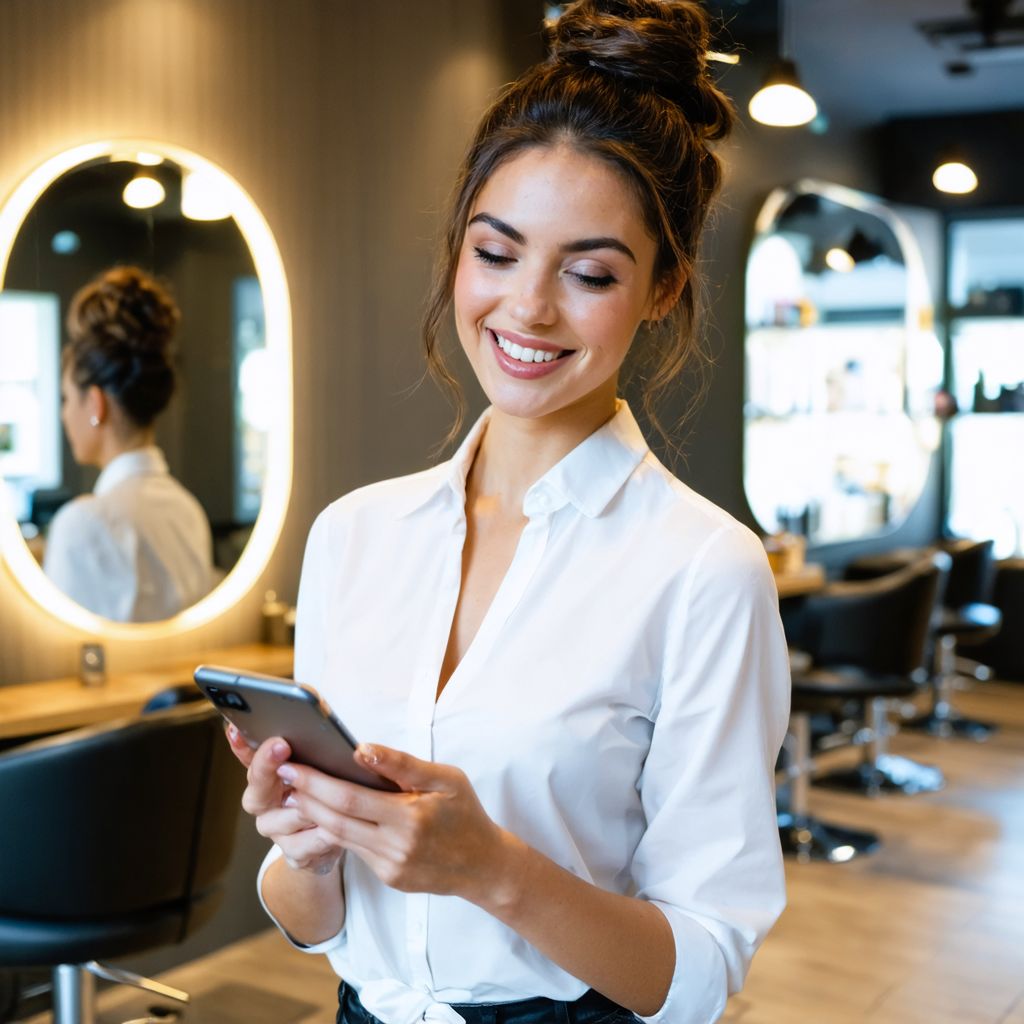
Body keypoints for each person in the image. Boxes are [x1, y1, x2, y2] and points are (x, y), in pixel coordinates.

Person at [228, 2, 790, 1022]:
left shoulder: (704, 567)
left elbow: (701, 970)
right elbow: (315, 922)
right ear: (456, 254)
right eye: (496, 253)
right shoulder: (352, 534)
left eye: (588, 273)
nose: (527, 309)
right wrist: (305, 848)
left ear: (661, 288)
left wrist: (493, 868)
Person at [44, 265, 214, 622]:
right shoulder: (188, 511)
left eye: (65, 399)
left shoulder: (82, 524)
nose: (63, 415)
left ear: (95, 404)